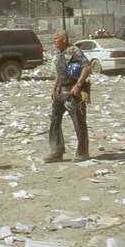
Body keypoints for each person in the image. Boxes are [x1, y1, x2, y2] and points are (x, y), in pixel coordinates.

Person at [44, 30, 92, 162]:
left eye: (56, 39)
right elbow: (59, 72)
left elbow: (87, 67)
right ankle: (56, 151)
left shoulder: (74, 51)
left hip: (73, 94)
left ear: (64, 39)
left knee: (79, 122)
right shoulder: (59, 54)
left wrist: (78, 84)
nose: (54, 42)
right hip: (60, 93)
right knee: (54, 120)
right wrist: (54, 88)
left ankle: (82, 153)